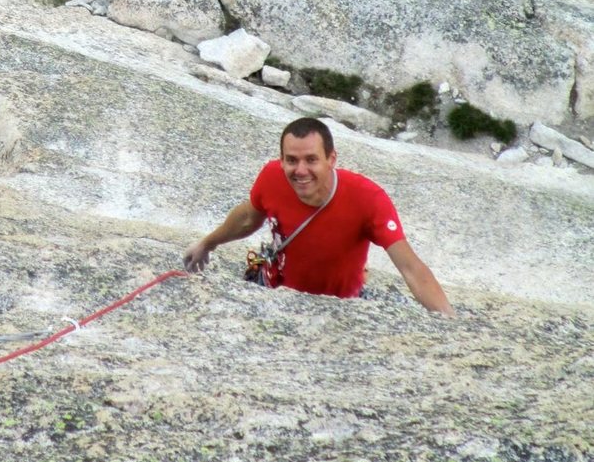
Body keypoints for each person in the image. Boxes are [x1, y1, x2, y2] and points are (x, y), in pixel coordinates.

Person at [184, 117, 455, 317]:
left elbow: (411, 268)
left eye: (311, 160)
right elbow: (247, 218)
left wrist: (449, 321)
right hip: (273, 291)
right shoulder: (271, 177)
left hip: (339, 308)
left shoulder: (367, 199)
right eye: (291, 160)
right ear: (281, 160)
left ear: (331, 159)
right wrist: (207, 243)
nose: (300, 170)